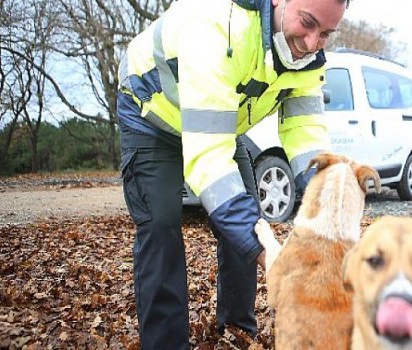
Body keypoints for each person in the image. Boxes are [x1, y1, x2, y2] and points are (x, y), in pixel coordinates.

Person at [115, 0, 351, 348]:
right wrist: (272, 255)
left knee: (247, 219)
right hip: (151, 114)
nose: (313, 43)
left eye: (326, 34)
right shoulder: (215, 27)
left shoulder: (307, 58)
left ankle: (238, 331)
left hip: (218, 118)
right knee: (161, 227)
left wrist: (328, 207)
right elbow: (208, 159)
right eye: (307, 22)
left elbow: (306, 134)